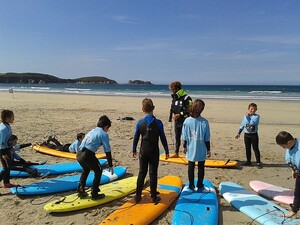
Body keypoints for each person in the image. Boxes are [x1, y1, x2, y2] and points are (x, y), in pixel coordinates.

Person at [132, 98, 169, 203]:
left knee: (142, 172)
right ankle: (153, 196)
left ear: (143, 109)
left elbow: (136, 137)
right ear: (153, 108)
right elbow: (163, 137)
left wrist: (133, 149)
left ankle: (138, 196)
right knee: (153, 173)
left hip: (143, 151)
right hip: (154, 151)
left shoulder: (140, 123)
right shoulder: (158, 123)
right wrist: (166, 150)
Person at [76, 115, 113, 200]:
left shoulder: (92, 130)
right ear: (106, 126)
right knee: (98, 170)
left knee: (86, 169)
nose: (108, 130)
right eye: (108, 128)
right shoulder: (104, 134)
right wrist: (110, 165)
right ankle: (94, 193)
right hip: (87, 154)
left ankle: (81, 189)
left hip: (78, 153)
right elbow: (107, 150)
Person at [181, 99, 211, 191]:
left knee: (191, 165)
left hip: (191, 148)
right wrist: (208, 150)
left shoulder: (187, 121)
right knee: (201, 167)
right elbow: (207, 138)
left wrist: (184, 146)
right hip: (201, 148)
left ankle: (191, 185)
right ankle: (200, 185)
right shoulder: (204, 122)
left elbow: (184, 136)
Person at [276, 131, 300, 218]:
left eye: (283, 146)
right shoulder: (290, 147)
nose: (283, 148)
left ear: (289, 142)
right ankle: (294, 211)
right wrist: (294, 170)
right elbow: (291, 161)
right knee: (297, 193)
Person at [169, 81, 192, 158]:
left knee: (186, 137)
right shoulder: (174, 98)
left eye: (173, 89)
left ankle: (187, 153)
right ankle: (176, 153)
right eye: (171, 90)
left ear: (177, 88)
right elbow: (172, 108)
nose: (172, 91)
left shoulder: (187, 98)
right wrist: (171, 116)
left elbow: (190, 110)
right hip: (177, 121)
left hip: (186, 121)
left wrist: (180, 114)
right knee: (177, 137)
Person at [235, 102, 262, 168]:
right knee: (247, 148)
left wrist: (248, 117)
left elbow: (252, 123)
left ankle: (258, 162)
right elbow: (242, 125)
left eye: (255, 109)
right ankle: (248, 161)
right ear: (248, 109)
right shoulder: (244, 117)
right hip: (246, 135)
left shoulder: (257, 116)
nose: (253, 110)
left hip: (254, 135)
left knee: (255, 148)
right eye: (252, 109)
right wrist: (238, 133)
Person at [0, 109, 18, 188]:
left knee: (8, 167)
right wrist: (3, 154)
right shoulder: (3, 129)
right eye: (12, 117)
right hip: (2, 150)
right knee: (6, 168)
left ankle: (6, 183)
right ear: (7, 118)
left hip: (7, 149)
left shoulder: (6, 125)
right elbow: (2, 142)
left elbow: (8, 139)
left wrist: (11, 147)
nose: (14, 118)